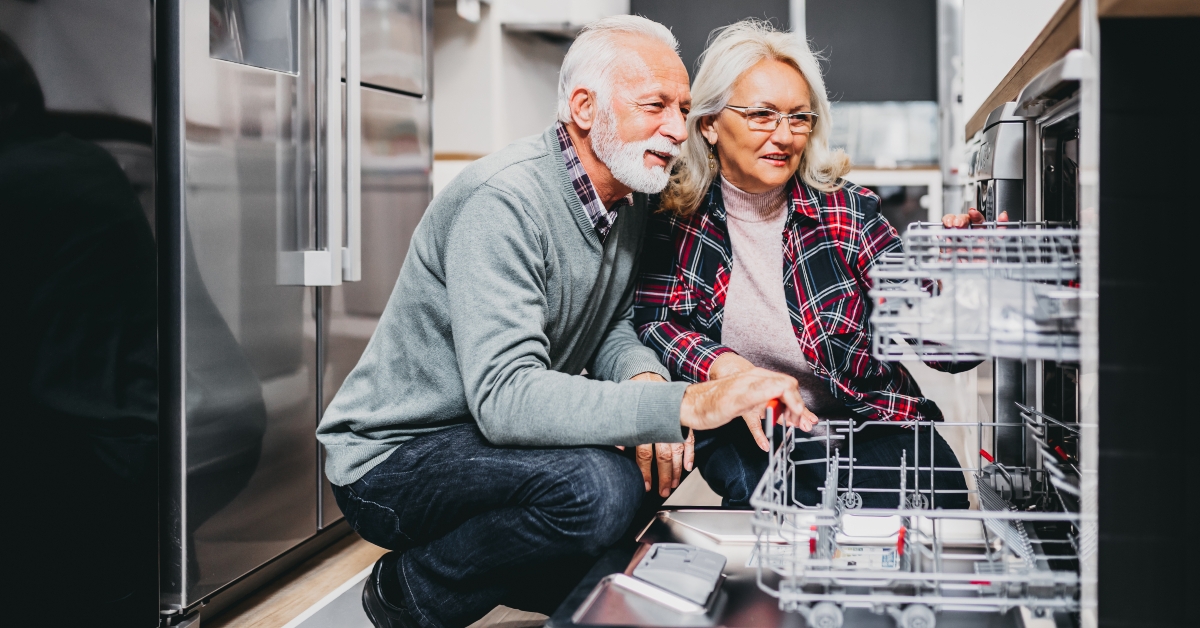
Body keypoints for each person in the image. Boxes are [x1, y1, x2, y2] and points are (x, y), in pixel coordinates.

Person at [316, 16, 813, 628]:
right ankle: (411, 594)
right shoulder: (502, 201)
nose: (677, 130)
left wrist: (644, 382)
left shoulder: (630, 194)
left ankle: (592, 593)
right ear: (584, 108)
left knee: (643, 466)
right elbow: (504, 395)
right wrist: (686, 403)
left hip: (478, 438)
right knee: (595, 487)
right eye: (654, 106)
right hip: (393, 457)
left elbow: (609, 324)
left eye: (683, 108)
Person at [634, 20, 977, 511]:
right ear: (708, 124)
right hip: (754, 431)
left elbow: (940, 346)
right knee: (782, 506)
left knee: (939, 492)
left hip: (864, 421)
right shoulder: (676, 217)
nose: (784, 136)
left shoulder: (848, 213)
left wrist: (965, 286)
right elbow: (656, 324)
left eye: (799, 117)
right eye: (761, 115)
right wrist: (723, 368)